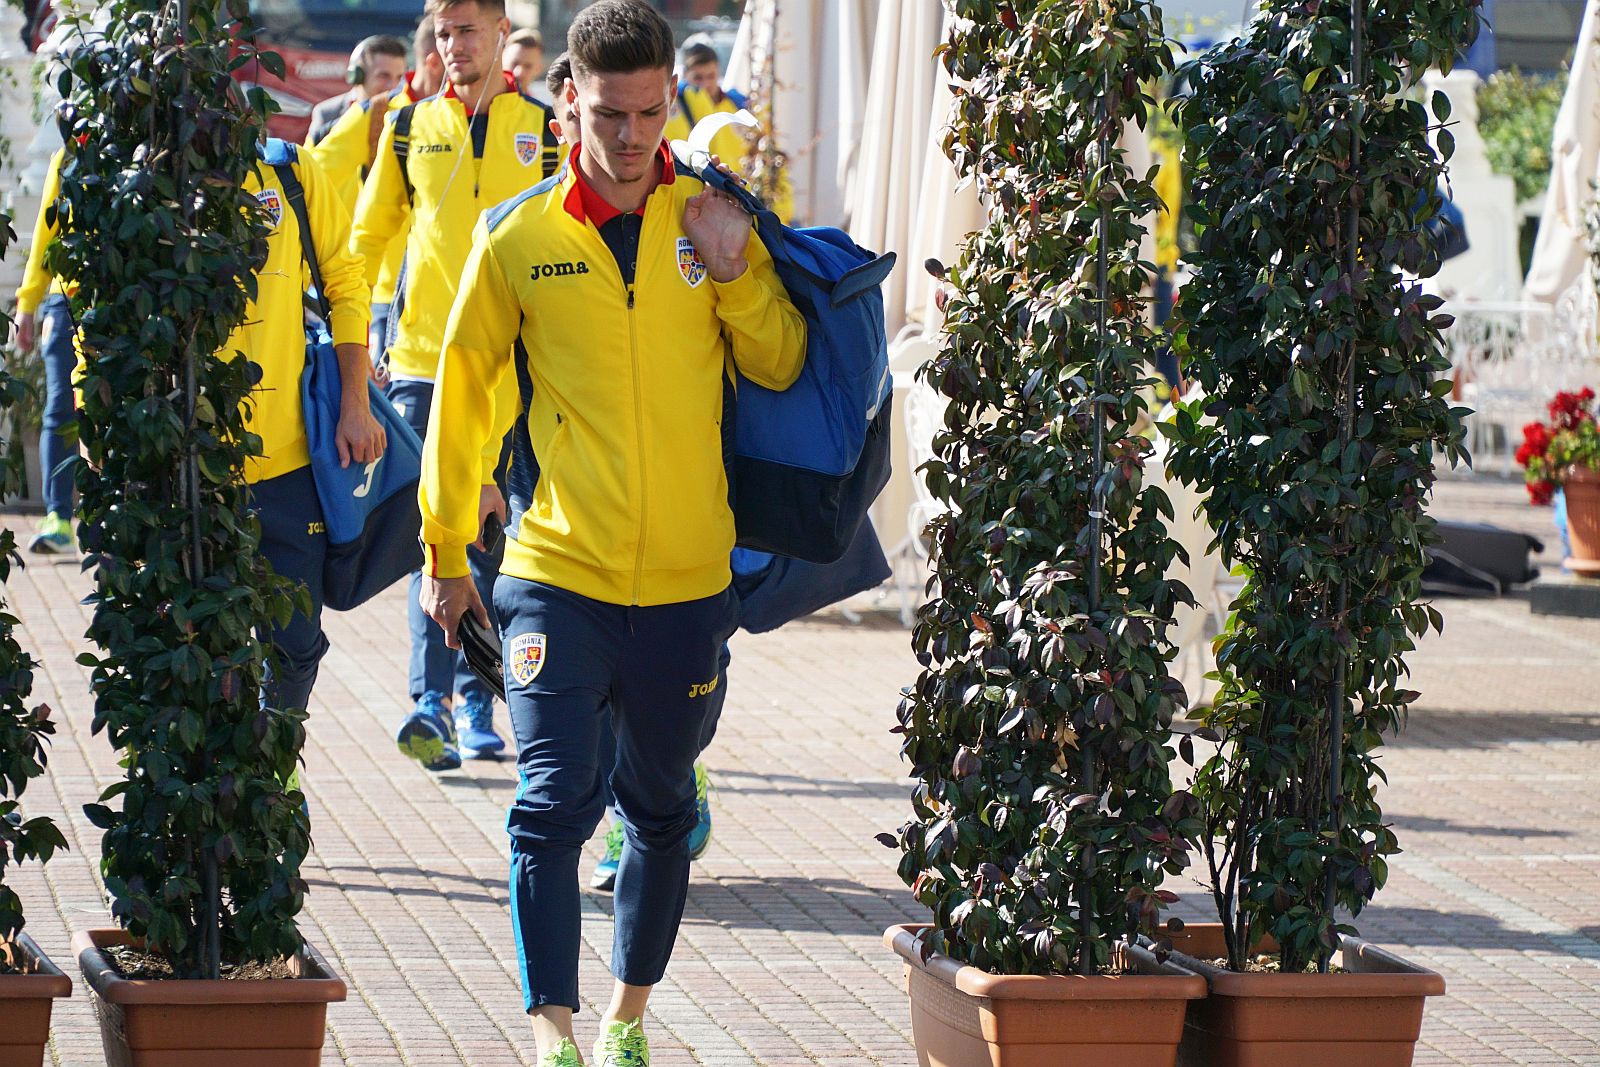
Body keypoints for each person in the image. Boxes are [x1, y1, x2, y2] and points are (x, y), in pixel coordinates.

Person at [418, 2, 804, 1061]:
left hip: (688, 581)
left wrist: (733, 272)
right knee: (551, 805)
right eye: (607, 115)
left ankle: (627, 1018)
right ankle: (555, 1035)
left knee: (663, 811)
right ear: (567, 103)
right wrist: (444, 553)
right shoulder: (519, 236)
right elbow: (462, 396)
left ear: (668, 99)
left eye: (646, 112)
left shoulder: (712, 214)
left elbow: (778, 360)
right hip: (558, 571)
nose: (629, 138)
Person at [350, 0, 563, 771]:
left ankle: (479, 697)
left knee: (492, 536)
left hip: (509, 367)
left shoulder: (544, 130)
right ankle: (429, 704)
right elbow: (365, 237)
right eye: (443, 33)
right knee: (432, 535)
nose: (454, 46)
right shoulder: (410, 127)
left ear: (501, 31)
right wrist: (363, 336)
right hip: (420, 362)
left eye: (468, 30)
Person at [231, 144, 382, 718]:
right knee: (202, 647)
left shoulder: (288, 170)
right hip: (191, 466)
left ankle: (271, 760)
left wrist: (355, 403)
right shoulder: (151, 175)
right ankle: (219, 765)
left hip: (290, 459)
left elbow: (345, 281)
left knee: (295, 645)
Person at [311, 16, 445, 364]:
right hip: (386, 297)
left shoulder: (467, 118)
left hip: (454, 298)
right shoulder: (377, 113)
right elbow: (309, 176)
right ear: (436, 59)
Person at [11, 148, 77, 554]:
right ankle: (59, 520)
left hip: (123, 304)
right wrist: (28, 302)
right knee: (59, 408)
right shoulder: (68, 155)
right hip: (66, 299)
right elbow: (46, 230)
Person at [306, 35, 409, 147]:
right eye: (384, 76)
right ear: (357, 76)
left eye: (399, 77)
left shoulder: (406, 114)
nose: (393, 86)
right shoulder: (328, 113)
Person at [662, 40, 747, 165]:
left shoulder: (737, 104)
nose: (705, 84)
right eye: (698, 78)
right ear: (685, 75)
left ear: (718, 72)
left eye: (711, 76)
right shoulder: (675, 106)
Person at [502, 27, 546, 100]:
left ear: (539, 69)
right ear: (501, 59)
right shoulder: (484, 98)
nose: (519, 73)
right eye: (514, 63)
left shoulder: (535, 106)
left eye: (528, 66)